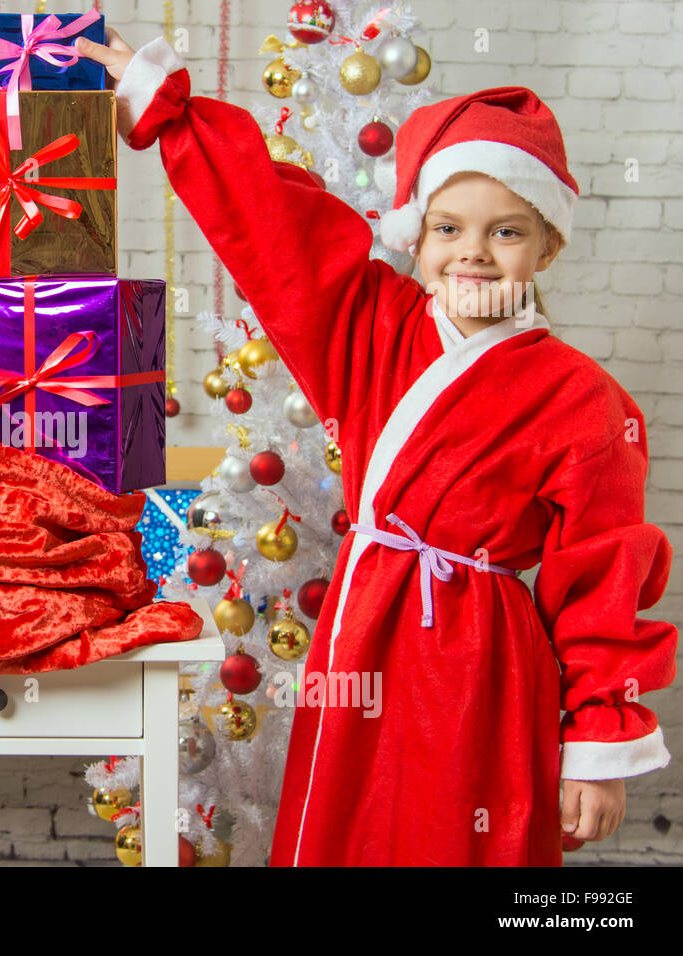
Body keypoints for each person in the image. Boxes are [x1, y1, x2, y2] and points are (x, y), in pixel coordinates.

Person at [76, 31, 676, 865]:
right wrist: (172, 111)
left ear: (549, 248)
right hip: (362, 631)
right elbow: (273, 226)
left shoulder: (583, 401)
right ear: (416, 239)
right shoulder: (371, 325)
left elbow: (602, 584)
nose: (472, 251)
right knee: (348, 827)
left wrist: (600, 746)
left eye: (506, 231)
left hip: (484, 661)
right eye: (448, 227)